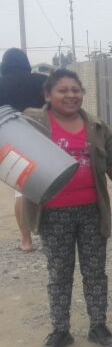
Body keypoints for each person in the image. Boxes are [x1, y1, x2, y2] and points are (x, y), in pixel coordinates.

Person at [19, 70, 112, 347]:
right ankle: (60, 331)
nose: (71, 95)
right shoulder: (33, 123)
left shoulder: (97, 126)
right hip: (52, 212)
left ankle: (98, 326)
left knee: (95, 272)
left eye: (76, 90)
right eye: (63, 90)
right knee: (59, 274)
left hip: (91, 210)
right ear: (47, 95)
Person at [0, 47, 47, 251]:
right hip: (40, 138)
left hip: (10, 141)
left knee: (21, 190)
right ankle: (48, 235)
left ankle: (26, 240)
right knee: (46, 188)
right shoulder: (40, 81)